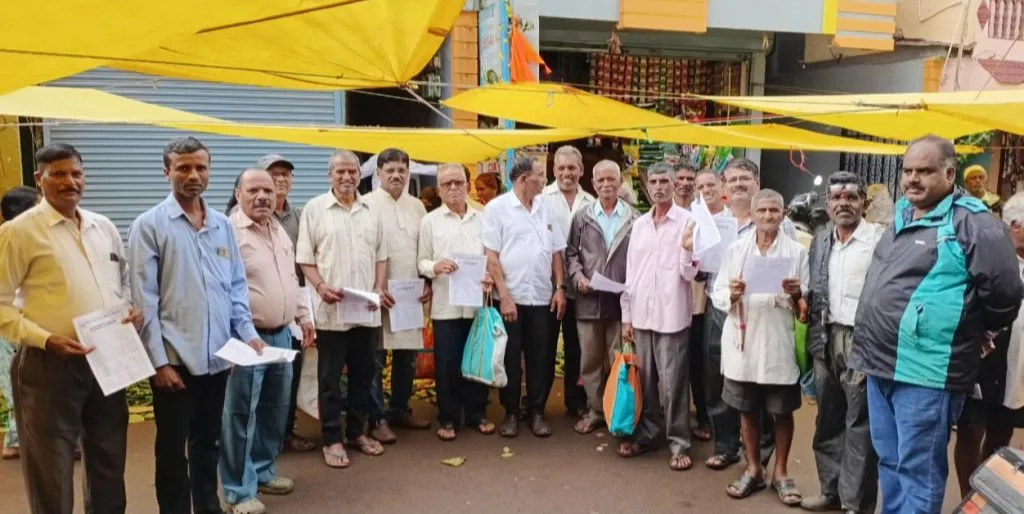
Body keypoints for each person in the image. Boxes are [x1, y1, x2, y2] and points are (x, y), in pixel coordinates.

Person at [851, 135, 1023, 514]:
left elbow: (1006, 293)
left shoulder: (973, 222)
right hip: (881, 365)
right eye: (908, 170)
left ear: (950, 172)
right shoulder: (901, 214)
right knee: (890, 462)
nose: (913, 179)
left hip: (927, 372)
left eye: (924, 171)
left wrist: (980, 330)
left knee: (919, 470)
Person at [0, 144, 142, 514]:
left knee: (109, 459)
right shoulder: (19, 233)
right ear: (39, 178)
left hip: (108, 359)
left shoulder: (103, 227)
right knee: (52, 466)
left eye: (76, 173)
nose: (70, 182)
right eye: (59, 174)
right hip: (49, 363)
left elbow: (121, 282)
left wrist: (127, 310)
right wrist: (45, 339)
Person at [129, 137, 265, 514]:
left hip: (219, 359)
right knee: (172, 452)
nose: (193, 175)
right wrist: (158, 364)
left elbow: (236, 287)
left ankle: (208, 507)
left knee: (209, 444)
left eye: (200, 167)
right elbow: (144, 300)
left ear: (209, 171)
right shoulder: (149, 226)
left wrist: (247, 336)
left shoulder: (222, 225)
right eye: (183, 168)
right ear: (166, 172)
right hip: (175, 363)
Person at [220, 168, 314, 514]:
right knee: (241, 415)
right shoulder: (228, 232)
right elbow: (224, 290)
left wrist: (303, 316)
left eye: (268, 191)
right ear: (238, 193)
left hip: (281, 335)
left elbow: (293, 278)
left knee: (275, 409)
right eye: (253, 190)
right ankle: (237, 491)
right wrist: (240, 336)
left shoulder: (279, 229)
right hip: (246, 339)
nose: (262, 196)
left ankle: (261, 471)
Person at [712, 188, 809, 506]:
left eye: (774, 211)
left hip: (778, 341)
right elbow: (718, 294)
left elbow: (805, 303)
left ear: (783, 214)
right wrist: (733, 294)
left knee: (782, 411)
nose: (768, 216)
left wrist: (796, 293)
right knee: (747, 408)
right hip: (743, 343)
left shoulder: (796, 252)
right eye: (762, 211)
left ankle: (780, 472)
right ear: (752, 215)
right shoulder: (736, 250)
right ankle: (753, 468)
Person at [296, 149, 389, 468]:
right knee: (330, 380)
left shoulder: (371, 210)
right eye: (340, 172)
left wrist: (379, 287)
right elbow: (305, 258)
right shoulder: (314, 209)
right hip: (331, 312)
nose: (347, 177)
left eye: (352, 172)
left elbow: (381, 255)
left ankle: (357, 433)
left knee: (364, 376)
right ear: (330, 176)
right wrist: (321, 286)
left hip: (365, 310)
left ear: (360, 175)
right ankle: (333, 439)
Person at [802, 172, 882, 514]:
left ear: (864, 201)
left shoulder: (879, 240)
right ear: (828, 203)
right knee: (828, 419)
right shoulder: (821, 239)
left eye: (851, 197)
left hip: (861, 340)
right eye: (836, 198)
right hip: (825, 336)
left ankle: (855, 502)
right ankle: (830, 490)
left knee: (860, 424)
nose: (843, 203)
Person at [703, 160, 785, 471]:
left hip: (760, 313)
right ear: (723, 187)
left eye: (745, 179)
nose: (738, 184)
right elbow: (700, 271)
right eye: (733, 179)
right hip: (719, 307)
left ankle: (761, 454)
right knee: (717, 378)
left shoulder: (774, 221)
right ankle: (725, 446)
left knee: (758, 380)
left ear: (757, 182)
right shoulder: (713, 223)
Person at [617, 162, 699, 471]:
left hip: (672, 316)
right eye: (654, 180)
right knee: (646, 381)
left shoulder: (687, 222)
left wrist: (688, 250)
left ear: (675, 184)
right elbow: (630, 274)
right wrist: (626, 317)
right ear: (646, 185)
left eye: (665, 180)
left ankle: (679, 441)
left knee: (674, 384)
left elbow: (689, 272)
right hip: (640, 315)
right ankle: (648, 434)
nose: (659, 186)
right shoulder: (639, 224)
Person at [484, 156, 567, 438]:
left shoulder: (546, 208)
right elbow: (491, 256)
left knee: (540, 356)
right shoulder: (497, 208)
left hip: (542, 297)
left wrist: (559, 288)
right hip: (511, 297)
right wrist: (504, 296)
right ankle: (510, 412)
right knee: (509, 356)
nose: (544, 181)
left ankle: (537, 411)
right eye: (540, 176)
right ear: (523, 180)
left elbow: (556, 251)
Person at [953, 191, 1024, 498]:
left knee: (1001, 431)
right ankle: (972, 498)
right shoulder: (989, 257)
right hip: (984, 362)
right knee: (971, 431)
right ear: (1016, 226)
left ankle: (992, 496)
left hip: (1019, 367)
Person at [417, 163, 495, 441]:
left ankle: (477, 413)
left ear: (467, 185)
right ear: (438, 189)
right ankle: (448, 418)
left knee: (477, 360)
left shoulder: (484, 218)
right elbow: (421, 261)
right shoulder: (429, 222)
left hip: (477, 303)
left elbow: (492, 256)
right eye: (447, 183)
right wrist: (435, 266)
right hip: (445, 305)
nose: (453, 188)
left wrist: (490, 277)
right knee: (447, 363)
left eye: (458, 182)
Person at [363, 148, 432, 443]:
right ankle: (376, 417)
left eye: (401, 170)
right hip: (378, 293)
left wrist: (427, 280)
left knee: (407, 356)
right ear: (378, 173)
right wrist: (374, 288)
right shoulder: (365, 205)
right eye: (389, 170)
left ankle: (400, 408)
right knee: (375, 358)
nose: (396, 175)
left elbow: (426, 248)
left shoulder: (417, 206)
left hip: (409, 294)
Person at [565, 160, 638, 434]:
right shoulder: (582, 217)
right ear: (593, 185)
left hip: (621, 305)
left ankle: (618, 411)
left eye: (612, 179)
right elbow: (571, 254)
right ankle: (596, 410)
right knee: (590, 362)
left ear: (620, 183)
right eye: (601, 181)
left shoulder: (635, 218)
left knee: (620, 359)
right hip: (588, 301)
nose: (607, 185)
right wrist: (578, 278)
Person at [262, 153, 318, 453]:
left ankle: (285, 432)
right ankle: (264, 438)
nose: (280, 178)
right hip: (263, 309)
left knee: (291, 373)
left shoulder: (300, 217)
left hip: (297, 303)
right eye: (274, 173)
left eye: (285, 174)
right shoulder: (252, 216)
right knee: (263, 377)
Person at [541, 145, 595, 418]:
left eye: (572, 168)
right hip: (548, 289)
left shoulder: (591, 202)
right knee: (545, 345)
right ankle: (538, 402)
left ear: (581, 170)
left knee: (577, 346)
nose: (566, 173)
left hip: (581, 289)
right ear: (553, 171)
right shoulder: (542, 199)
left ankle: (576, 401)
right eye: (561, 168)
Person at [0, 186, 39, 460]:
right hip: (7, 327)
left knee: (22, 382)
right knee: (16, 383)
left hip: (20, 324)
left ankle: (19, 440)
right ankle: (18, 443)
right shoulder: (8, 240)